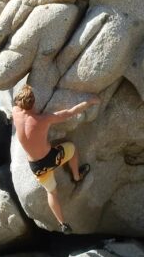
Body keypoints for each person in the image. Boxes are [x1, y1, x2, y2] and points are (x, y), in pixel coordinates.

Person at [12, 83, 100, 234]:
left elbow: (15, 105)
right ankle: (77, 176)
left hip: (37, 167)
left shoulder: (15, 113)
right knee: (71, 148)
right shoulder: (43, 119)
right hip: (51, 159)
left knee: (52, 192)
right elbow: (70, 112)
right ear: (33, 103)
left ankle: (62, 224)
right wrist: (89, 102)